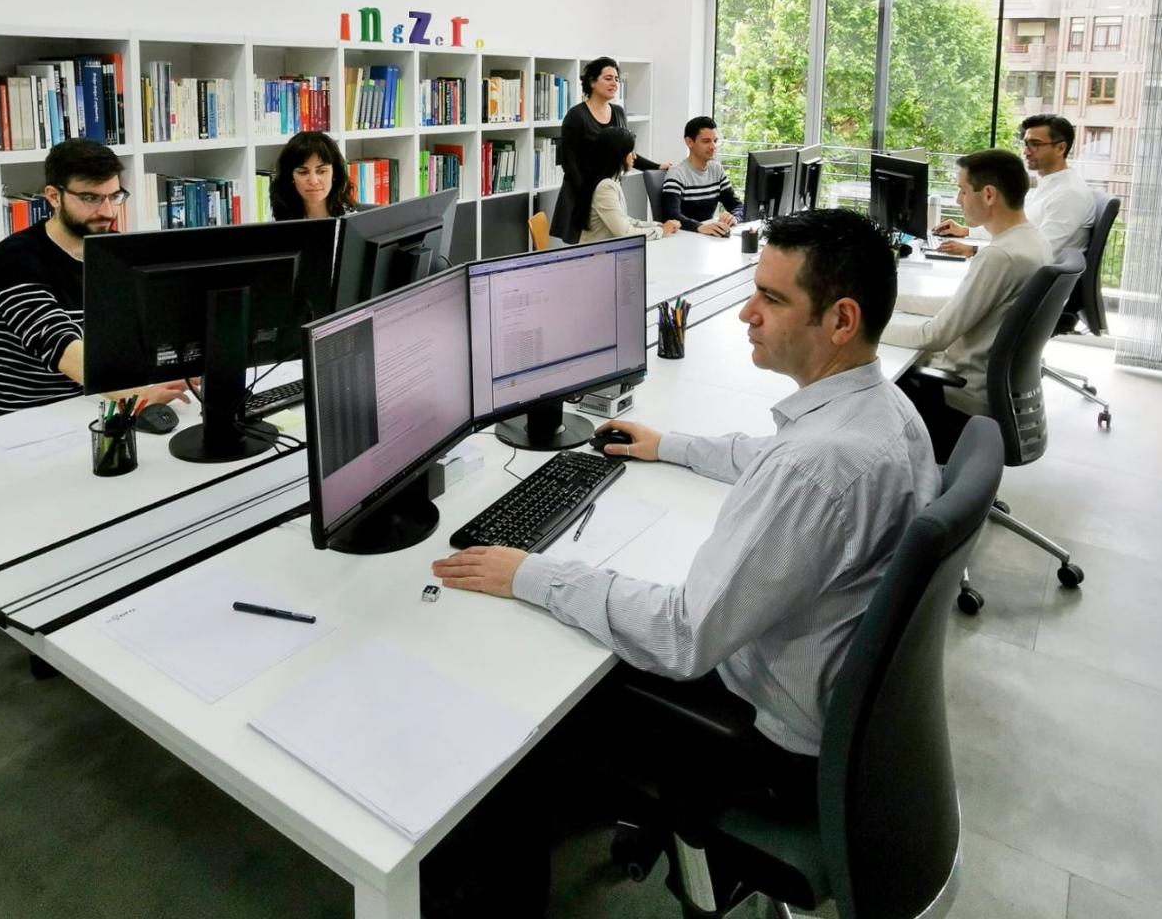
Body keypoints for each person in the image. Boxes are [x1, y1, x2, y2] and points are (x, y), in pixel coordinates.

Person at [434, 208, 939, 791]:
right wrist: (670, 445)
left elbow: (682, 636)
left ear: (841, 321)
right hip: (843, 704)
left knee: (531, 678)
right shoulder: (884, 414)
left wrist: (531, 573)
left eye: (771, 300)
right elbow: (773, 456)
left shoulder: (813, 470)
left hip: (772, 742)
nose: (748, 313)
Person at [0, 139, 190, 423]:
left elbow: (153, 326)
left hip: (95, 405)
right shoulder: (15, 259)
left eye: (114, 196)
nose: (108, 212)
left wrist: (184, 360)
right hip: (22, 420)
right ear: (53, 196)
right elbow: (62, 346)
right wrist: (138, 394)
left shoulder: (115, 250)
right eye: (90, 198)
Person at [886, 148, 1052, 458]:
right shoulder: (1031, 242)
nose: (958, 200)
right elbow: (960, 305)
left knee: (863, 382)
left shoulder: (1000, 257)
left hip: (958, 397)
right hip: (988, 392)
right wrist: (894, 300)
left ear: (988, 194)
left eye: (963, 190)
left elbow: (934, 336)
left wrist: (867, 326)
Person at [932, 114, 1094, 257]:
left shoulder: (1069, 194)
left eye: (1035, 144)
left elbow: (1041, 252)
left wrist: (973, 250)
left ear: (1060, 148)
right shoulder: (1050, 184)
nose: (1026, 152)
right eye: (1026, 144)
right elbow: (1015, 233)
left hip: (1031, 284)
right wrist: (967, 231)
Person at [549, 56, 669, 244]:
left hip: (608, 188)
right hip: (581, 193)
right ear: (592, 82)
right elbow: (569, 163)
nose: (614, 83)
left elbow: (626, 152)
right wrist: (590, 194)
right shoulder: (576, 116)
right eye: (608, 78)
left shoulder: (619, 112)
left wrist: (656, 166)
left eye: (616, 79)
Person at [580, 129, 680, 243]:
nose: (634, 157)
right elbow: (625, 233)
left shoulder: (609, 181)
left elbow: (624, 220)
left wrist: (657, 225)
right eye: (630, 152)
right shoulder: (605, 187)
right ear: (618, 155)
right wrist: (661, 231)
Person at [662, 116, 744, 236]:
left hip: (707, 238)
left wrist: (734, 218)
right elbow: (671, 215)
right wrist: (700, 227)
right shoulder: (676, 174)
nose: (713, 147)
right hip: (684, 238)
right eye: (706, 141)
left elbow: (737, 206)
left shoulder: (716, 170)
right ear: (689, 142)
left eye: (715, 141)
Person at [269, 130, 356, 221]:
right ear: (290, 176)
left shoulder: (352, 221)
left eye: (322, 171)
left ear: (335, 173)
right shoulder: (280, 220)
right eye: (303, 172)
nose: (313, 181)